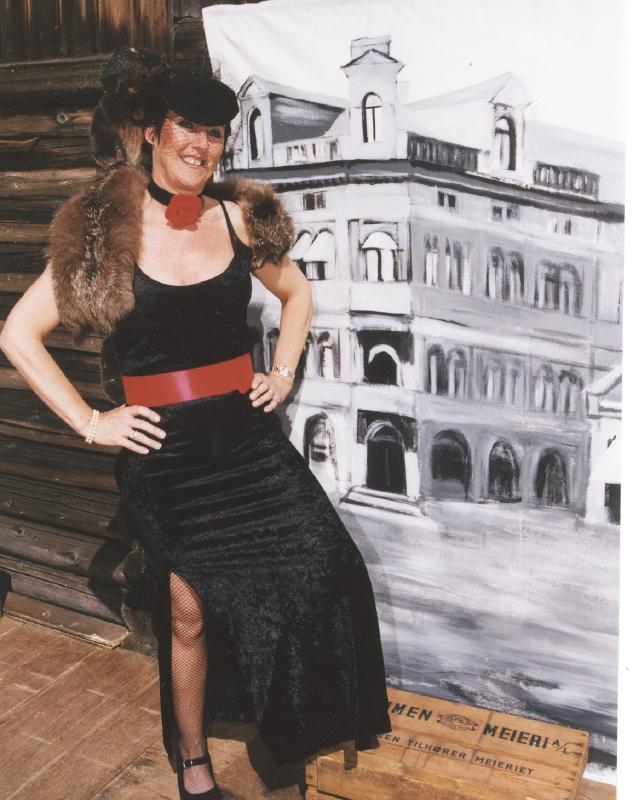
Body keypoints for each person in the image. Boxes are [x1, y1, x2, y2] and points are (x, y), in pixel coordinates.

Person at [0, 48, 392, 799]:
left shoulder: (239, 217)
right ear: (152, 131)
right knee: (188, 612)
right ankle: (193, 764)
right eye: (187, 127)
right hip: (167, 456)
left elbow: (298, 296)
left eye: (215, 134)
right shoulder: (105, 229)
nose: (201, 145)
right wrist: (91, 422)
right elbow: (19, 333)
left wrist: (283, 372)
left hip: (245, 442)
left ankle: (293, 735)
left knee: (326, 569)